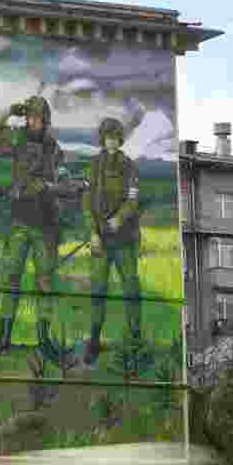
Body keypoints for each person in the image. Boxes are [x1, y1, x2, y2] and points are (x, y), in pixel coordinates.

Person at [0, 96, 70, 361]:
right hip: (19, 222)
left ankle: (44, 340)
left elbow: (66, 183)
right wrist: (10, 109)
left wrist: (47, 187)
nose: (35, 122)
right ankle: (3, 339)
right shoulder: (17, 138)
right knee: (11, 279)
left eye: (40, 118)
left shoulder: (53, 148)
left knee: (45, 283)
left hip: (45, 225)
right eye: (32, 117)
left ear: (46, 121)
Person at [83, 117, 141, 369]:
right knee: (98, 291)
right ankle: (94, 341)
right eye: (108, 136)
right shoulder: (93, 166)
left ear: (120, 139)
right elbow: (86, 203)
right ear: (102, 138)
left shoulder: (129, 166)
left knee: (131, 289)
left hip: (124, 240)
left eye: (116, 137)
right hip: (101, 242)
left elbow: (133, 199)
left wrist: (119, 219)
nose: (111, 141)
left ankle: (135, 341)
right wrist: (93, 233)